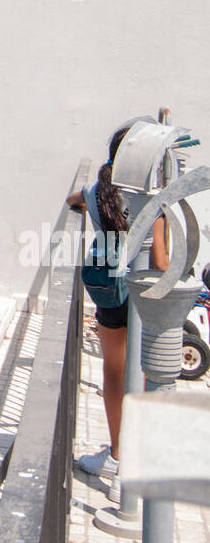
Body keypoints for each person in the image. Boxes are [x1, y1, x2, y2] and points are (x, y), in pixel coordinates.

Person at [66, 126, 169, 483]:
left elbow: (73, 200)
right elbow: (161, 261)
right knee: (141, 375)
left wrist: (80, 201)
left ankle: (117, 453)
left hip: (110, 292)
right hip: (141, 296)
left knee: (114, 370)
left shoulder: (97, 191)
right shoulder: (150, 200)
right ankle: (135, 464)